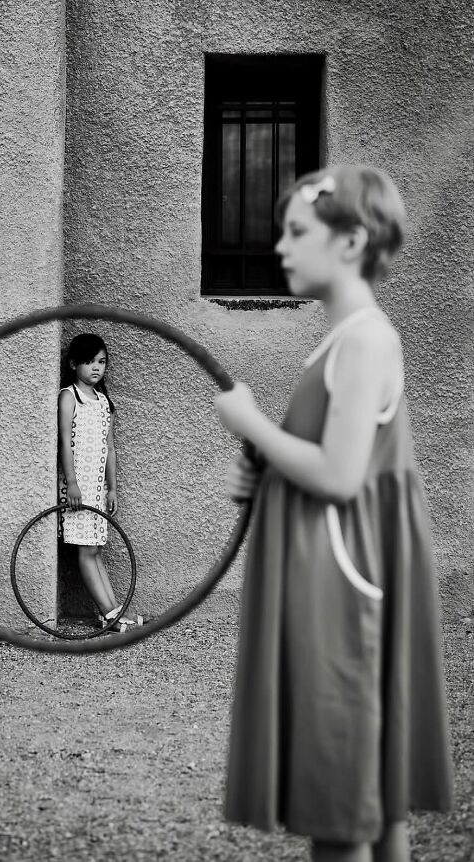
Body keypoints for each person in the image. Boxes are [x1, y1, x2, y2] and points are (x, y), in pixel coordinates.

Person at [214, 165, 453, 862]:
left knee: (341, 799)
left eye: (296, 232)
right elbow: (330, 459)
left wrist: (252, 426)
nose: (279, 247)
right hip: (340, 566)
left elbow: (342, 477)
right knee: (368, 795)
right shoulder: (347, 337)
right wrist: (266, 473)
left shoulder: (364, 341)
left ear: (349, 242)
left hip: (342, 579)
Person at [58, 333, 142, 632]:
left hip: (97, 487)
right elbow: (64, 443)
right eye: (89, 361)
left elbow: (110, 448)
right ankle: (109, 614)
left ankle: (114, 611)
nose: (96, 367)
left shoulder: (104, 401)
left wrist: (112, 488)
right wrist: (72, 483)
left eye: (102, 362)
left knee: (94, 550)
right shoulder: (69, 396)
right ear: (73, 364)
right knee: (85, 550)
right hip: (78, 487)